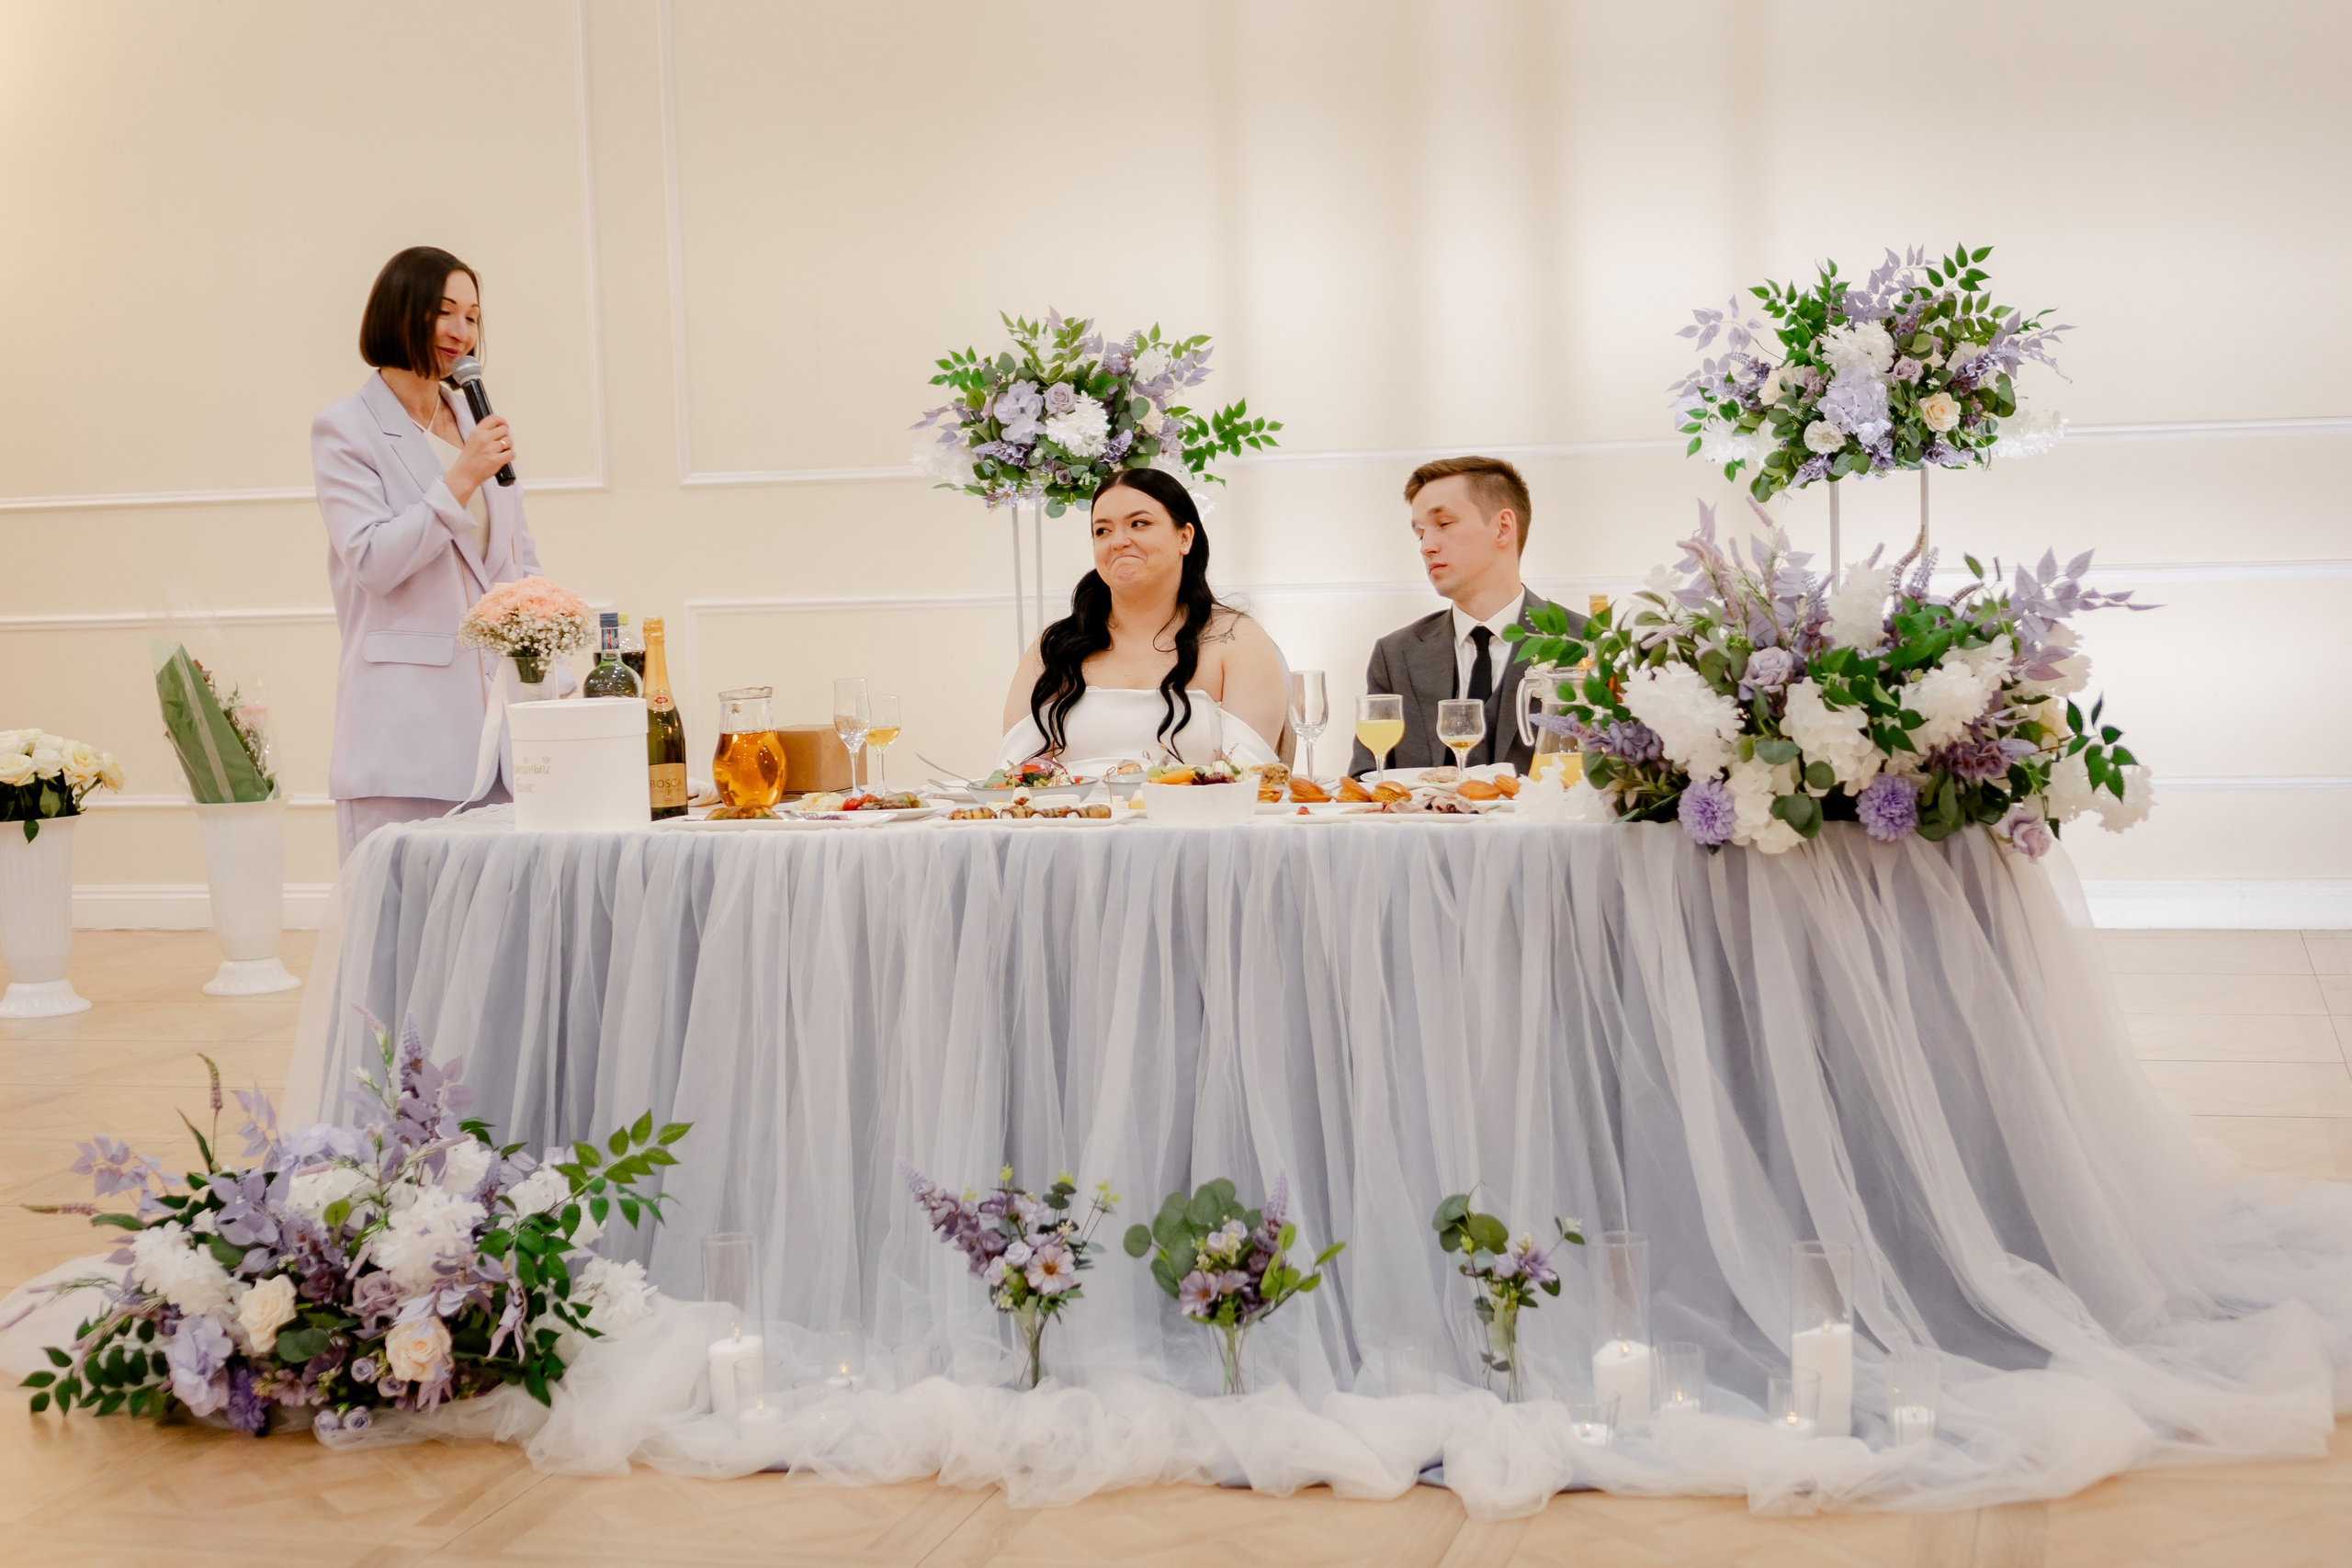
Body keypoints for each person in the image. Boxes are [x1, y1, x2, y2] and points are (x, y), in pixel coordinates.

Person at [312, 246, 553, 862]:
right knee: (401, 941)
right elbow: (371, 559)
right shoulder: (346, 428)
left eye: (472, 316)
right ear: (401, 312)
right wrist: (460, 478)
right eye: (444, 311)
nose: (461, 331)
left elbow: (517, 567)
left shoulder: (474, 420)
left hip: (500, 743)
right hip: (405, 743)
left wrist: (554, 686)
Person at [996, 468, 1290, 776]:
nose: (1119, 541)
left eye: (1139, 524)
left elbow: (1251, 781)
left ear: (1185, 537)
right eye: (1102, 531)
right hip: (1073, 821)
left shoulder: (1237, 639)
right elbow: (1014, 776)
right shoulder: (1054, 647)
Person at [1348, 456, 1585, 776]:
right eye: (1420, 534)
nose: (1426, 547)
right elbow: (1365, 783)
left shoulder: (1587, 643)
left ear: (1502, 528)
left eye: (1444, 524)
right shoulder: (1395, 655)